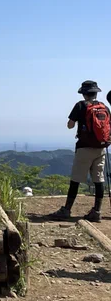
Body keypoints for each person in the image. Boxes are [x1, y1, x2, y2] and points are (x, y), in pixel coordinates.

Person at [51, 80, 111, 222]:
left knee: (76, 179)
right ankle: (96, 211)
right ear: (96, 93)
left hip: (84, 148)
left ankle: (66, 210)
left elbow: (70, 125)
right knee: (99, 179)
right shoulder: (105, 107)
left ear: (84, 94)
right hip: (101, 148)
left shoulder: (80, 105)